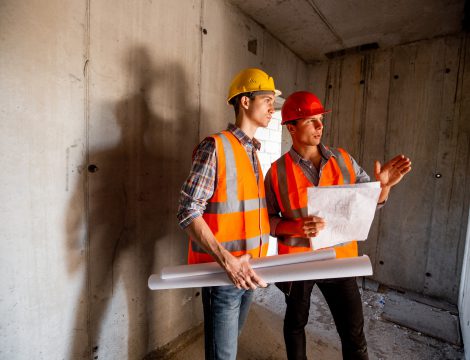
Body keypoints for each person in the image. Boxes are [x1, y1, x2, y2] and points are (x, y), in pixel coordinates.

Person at [264, 91, 412, 360]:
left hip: (340, 260)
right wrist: (295, 228)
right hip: (298, 264)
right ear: (291, 127)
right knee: (295, 324)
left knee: (353, 333)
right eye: (311, 120)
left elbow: (370, 204)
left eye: (321, 119)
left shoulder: (344, 159)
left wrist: (384, 187)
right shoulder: (276, 172)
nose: (321, 126)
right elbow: (268, 221)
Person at [177, 68, 281, 360]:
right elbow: (187, 210)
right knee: (223, 356)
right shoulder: (216, 146)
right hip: (225, 274)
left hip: (251, 270)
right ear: (245, 102)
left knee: (226, 349)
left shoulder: (253, 154)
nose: (273, 108)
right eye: (267, 100)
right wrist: (227, 261)